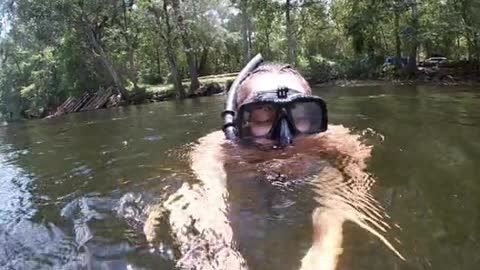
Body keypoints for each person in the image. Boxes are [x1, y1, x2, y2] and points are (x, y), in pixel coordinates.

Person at [144, 55, 404, 270]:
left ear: (316, 117)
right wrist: (218, 250)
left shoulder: (333, 137)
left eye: (301, 116)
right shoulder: (218, 146)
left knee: (330, 178)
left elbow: (354, 183)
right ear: (238, 124)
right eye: (261, 117)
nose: (285, 137)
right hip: (244, 182)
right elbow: (206, 195)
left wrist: (327, 236)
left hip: (313, 180)